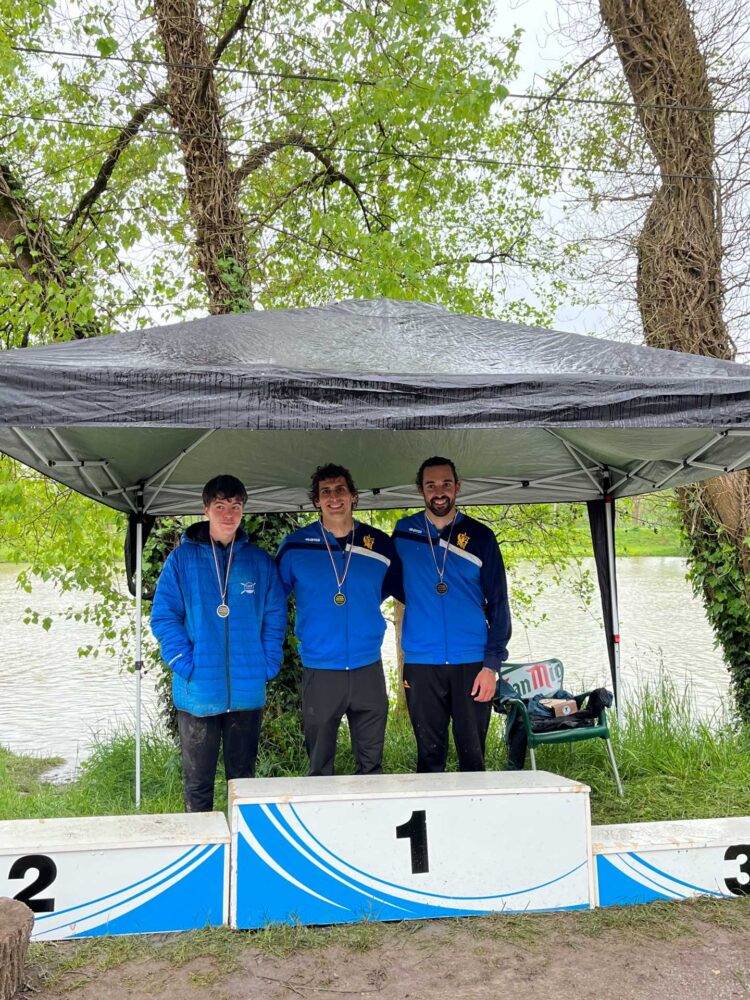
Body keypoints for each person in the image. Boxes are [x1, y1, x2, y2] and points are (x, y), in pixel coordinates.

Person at [151, 474, 287, 811]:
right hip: (198, 691)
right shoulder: (181, 561)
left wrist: (267, 663)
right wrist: (185, 663)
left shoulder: (259, 562)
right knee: (198, 783)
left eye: (236, 507)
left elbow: (275, 616)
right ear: (206, 509)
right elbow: (163, 617)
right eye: (220, 506)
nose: (228, 514)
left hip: (246, 690)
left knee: (243, 781)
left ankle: (242, 853)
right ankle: (201, 853)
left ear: (243, 511)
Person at [276, 463, 402, 776]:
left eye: (341, 490)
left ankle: (369, 821)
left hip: (367, 669)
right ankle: (321, 823)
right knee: (319, 767)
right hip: (320, 670)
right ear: (316, 500)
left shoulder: (380, 544)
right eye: (326, 492)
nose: (334, 498)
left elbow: (396, 591)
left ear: (354, 496)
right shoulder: (294, 547)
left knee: (372, 765)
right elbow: (273, 600)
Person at [393, 456, 511, 772]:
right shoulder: (404, 533)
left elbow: (499, 604)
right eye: (431, 485)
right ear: (421, 490)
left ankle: (473, 820)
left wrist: (491, 666)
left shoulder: (481, 536)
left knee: (473, 758)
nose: (439, 491)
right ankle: (429, 822)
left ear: (457, 487)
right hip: (421, 663)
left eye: (446, 483)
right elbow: (391, 582)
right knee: (429, 758)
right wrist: (422, 599)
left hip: (472, 663)